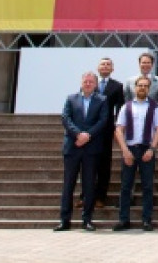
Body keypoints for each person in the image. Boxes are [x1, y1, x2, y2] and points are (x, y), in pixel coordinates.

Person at [56, 71, 109, 232]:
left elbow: (103, 120)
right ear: (81, 82)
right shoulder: (71, 98)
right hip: (73, 147)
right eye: (85, 81)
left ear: (95, 84)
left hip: (91, 149)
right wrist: (78, 134)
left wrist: (88, 135)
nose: (88, 84)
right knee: (68, 185)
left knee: (89, 185)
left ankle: (87, 219)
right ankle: (65, 220)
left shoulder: (102, 100)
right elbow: (66, 118)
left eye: (91, 82)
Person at [112, 75, 158, 231]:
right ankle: (123, 219)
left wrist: (152, 149)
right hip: (130, 149)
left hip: (146, 148)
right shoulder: (126, 107)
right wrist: (125, 150)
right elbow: (119, 129)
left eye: (145, 86)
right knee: (126, 186)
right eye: (139, 85)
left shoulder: (155, 107)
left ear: (149, 88)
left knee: (147, 186)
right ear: (135, 88)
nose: (142, 88)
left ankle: (147, 220)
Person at [90, 57, 125, 210]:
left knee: (104, 164)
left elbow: (121, 107)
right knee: (88, 164)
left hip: (106, 130)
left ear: (112, 69)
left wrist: (117, 126)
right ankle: (85, 196)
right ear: (98, 67)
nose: (105, 66)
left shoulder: (117, 86)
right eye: (103, 64)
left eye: (108, 64)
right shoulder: (90, 83)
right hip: (90, 129)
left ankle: (100, 197)